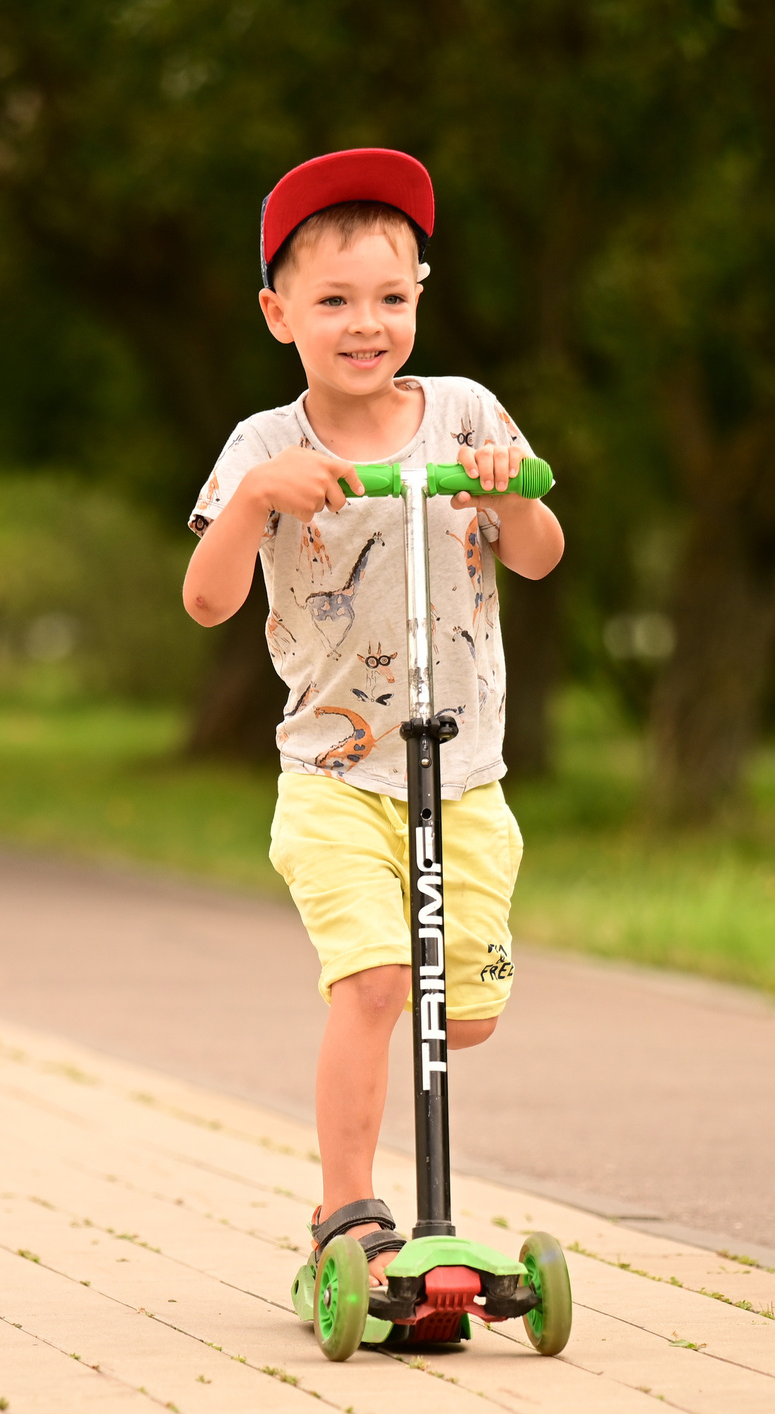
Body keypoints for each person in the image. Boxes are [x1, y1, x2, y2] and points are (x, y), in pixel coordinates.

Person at [183, 150, 565, 1287]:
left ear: (419, 299)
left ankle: (398, 1209)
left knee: (468, 1017)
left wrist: (505, 485)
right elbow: (206, 602)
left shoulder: (464, 414)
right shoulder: (262, 446)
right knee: (375, 983)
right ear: (278, 313)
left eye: (391, 299)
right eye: (336, 301)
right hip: (334, 779)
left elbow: (541, 560)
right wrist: (256, 501)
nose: (367, 325)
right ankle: (346, 1210)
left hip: (468, 779)